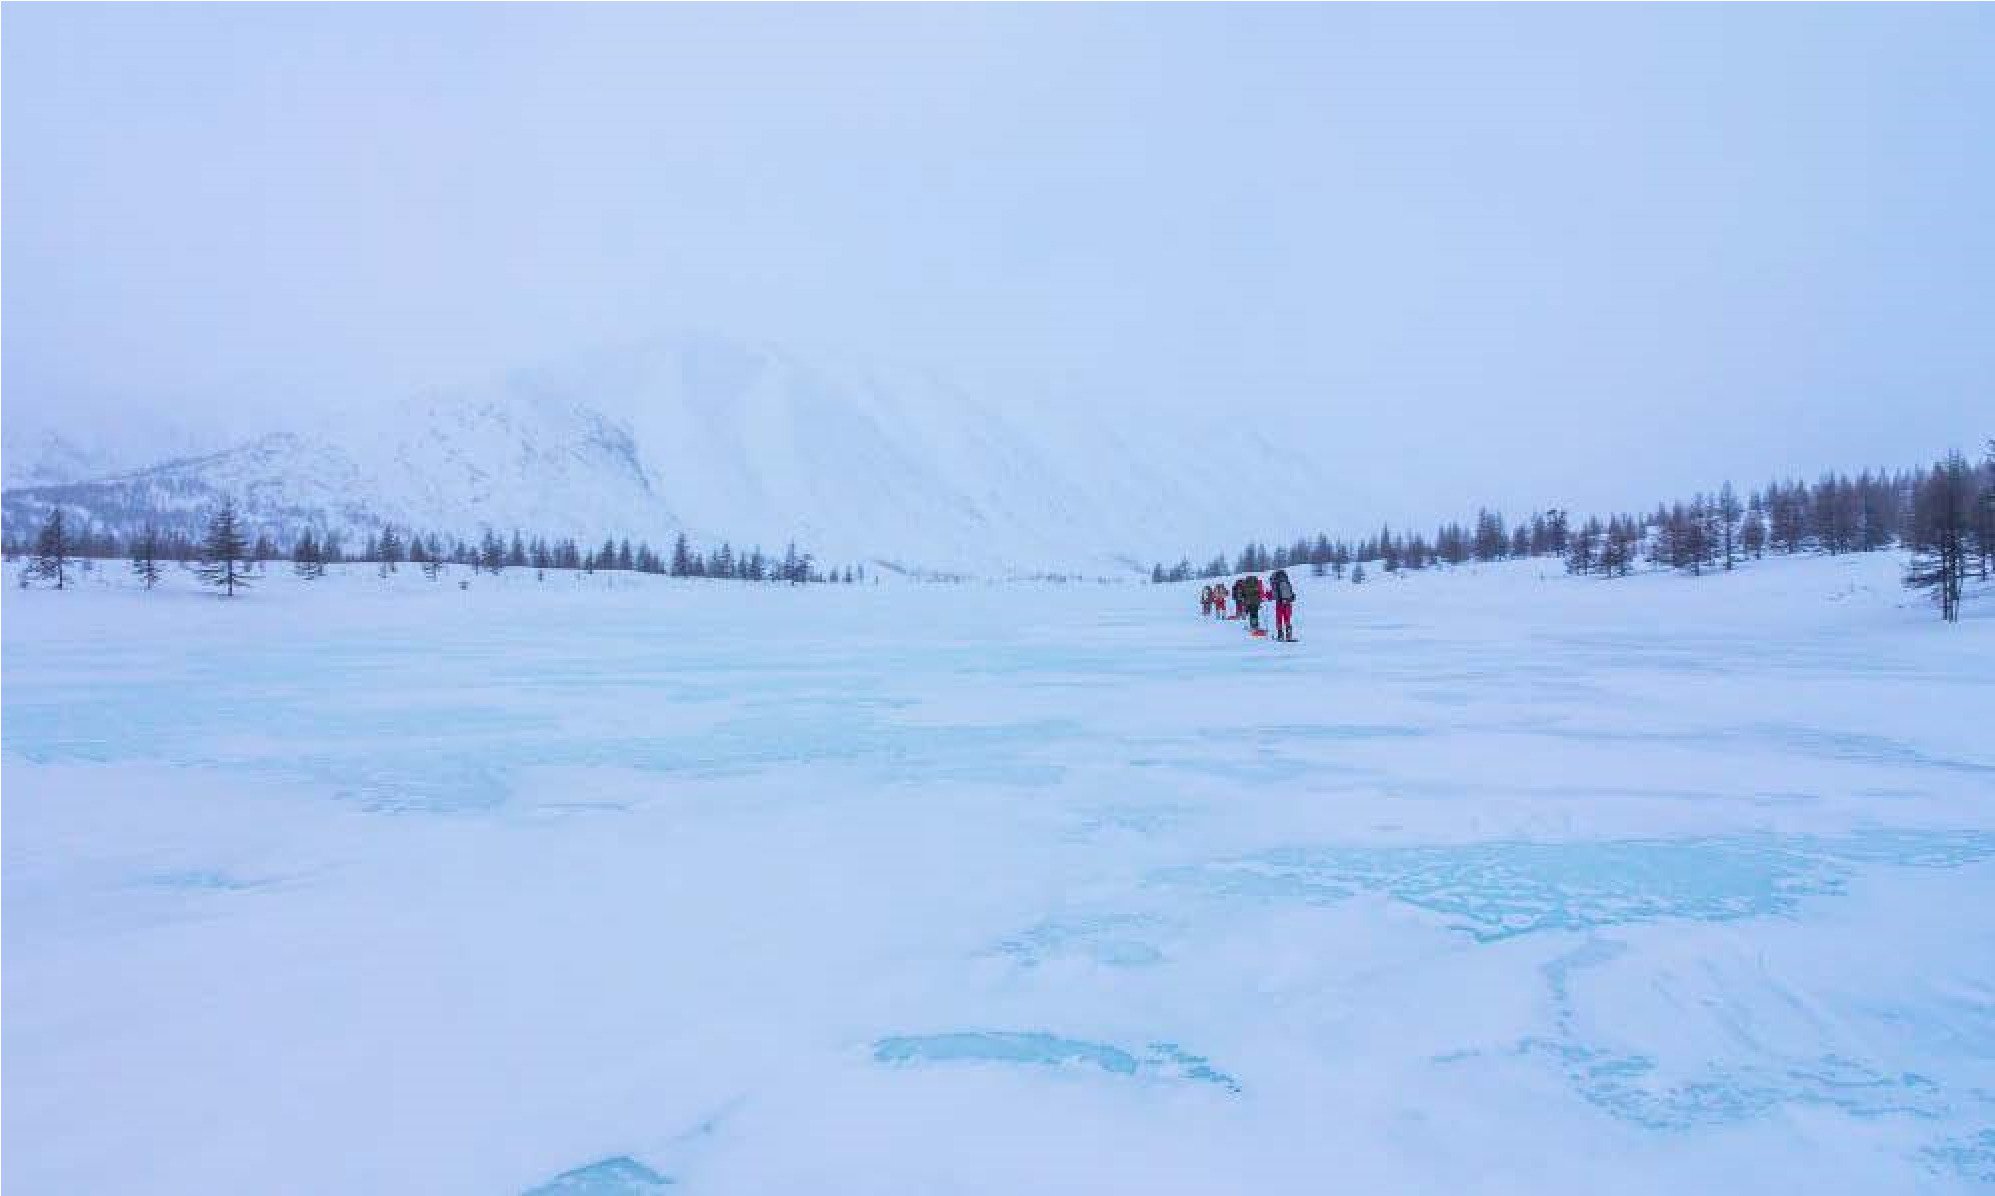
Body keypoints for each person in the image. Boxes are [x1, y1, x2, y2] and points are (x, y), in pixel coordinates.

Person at [1268, 567, 1297, 641]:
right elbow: (1292, 594)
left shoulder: (1275, 583)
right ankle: (1289, 635)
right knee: (1287, 619)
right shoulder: (1286, 582)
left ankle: (1280, 635)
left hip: (1279, 603)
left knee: (1279, 619)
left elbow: (1273, 595)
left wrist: (1268, 596)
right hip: (1288, 603)